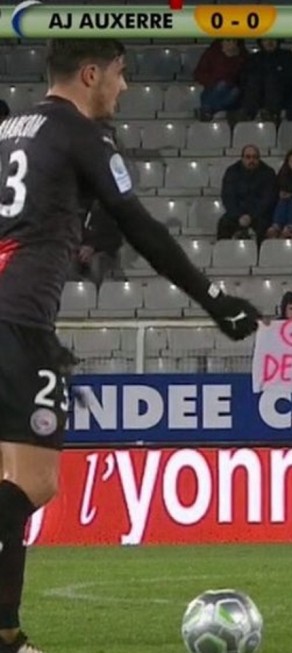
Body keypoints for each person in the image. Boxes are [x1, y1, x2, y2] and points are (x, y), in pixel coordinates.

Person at [0, 40, 262, 653]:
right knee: (34, 484)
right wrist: (214, 299)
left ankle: (7, 636)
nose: (124, 89)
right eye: (120, 75)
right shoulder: (80, 133)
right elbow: (139, 225)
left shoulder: (8, 130)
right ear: (90, 73)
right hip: (19, 322)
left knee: (9, 483)